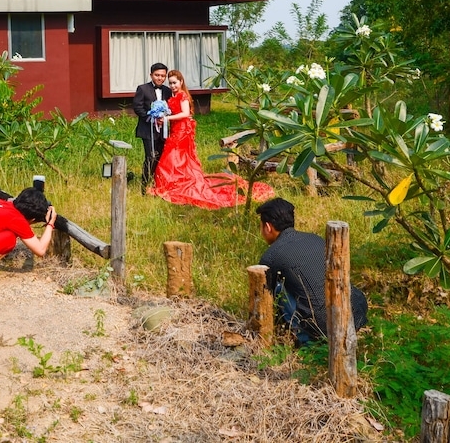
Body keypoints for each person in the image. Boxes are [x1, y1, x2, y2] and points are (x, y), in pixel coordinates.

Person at [149, 70, 275, 209]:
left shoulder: (183, 95)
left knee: (176, 156)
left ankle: (178, 181)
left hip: (182, 130)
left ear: (181, 82)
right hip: (175, 129)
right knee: (176, 157)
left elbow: (185, 113)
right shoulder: (174, 96)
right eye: (170, 83)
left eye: (175, 83)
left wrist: (167, 118)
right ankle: (179, 180)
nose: (172, 86)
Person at [257, 198, 368, 344]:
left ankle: (304, 340)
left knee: (278, 288)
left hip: (322, 327)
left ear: (268, 227)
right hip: (355, 312)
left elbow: (265, 297)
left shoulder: (271, 256)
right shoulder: (315, 238)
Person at [133, 62, 172, 194]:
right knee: (151, 157)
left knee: (161, 157)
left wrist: (164, 118)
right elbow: (138, 107)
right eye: (157, 75)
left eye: (162, 76)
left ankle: (157, 185)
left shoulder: (168, 91)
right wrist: (152, 118)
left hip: (163, 131)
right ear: (151, 75)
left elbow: (170, 108)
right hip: (147, 130)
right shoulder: (142, 89)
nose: (160, 78)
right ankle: (144, 186)